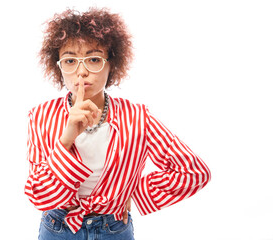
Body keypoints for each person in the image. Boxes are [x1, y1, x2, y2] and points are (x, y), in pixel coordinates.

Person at [24, 7, 211, 240]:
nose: (81, 72)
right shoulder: (41, 116)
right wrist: (66, 139)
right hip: (57, 228)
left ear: (112, 63)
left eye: (94, 59)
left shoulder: (137, 118)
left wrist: (132, 194)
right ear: (58, 66)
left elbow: (192, 172)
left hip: (113, 229)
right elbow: (39, 195)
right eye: (70, 60)